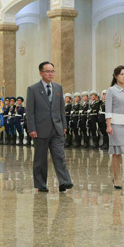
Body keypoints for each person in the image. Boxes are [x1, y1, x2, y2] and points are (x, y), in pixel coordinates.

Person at [26, 61, 73, 193]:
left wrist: (64, 125)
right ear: (41, 73)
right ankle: (41, 184)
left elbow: (61, 108)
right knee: (40, 159)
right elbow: (30, 112)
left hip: (57, 128)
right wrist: (31, 129)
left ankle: (64, 182)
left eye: (52, 71)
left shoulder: (58, 88)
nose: (51, 74)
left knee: (59, 156)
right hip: (40, 129)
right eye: (48, 71)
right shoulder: (33, 89)